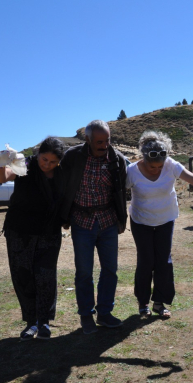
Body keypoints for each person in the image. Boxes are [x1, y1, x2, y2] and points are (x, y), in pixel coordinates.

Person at [127, 131, 193, 319]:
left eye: (160, 166)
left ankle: (159, 303)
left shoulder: (171, 165)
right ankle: (143, 303)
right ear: (144, 159)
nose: (157, 170)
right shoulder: (132, 171)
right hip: (141, 221)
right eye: (152, 167)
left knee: (163, 261)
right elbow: (118, 192)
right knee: (146, 261)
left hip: (165, 219)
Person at [59, 120, 128, 334]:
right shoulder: (72, 157)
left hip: (108, 221)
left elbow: (122, 188)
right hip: (82, 222)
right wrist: (64, 215)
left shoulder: (117, 159)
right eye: (99, 141)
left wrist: (121, 218)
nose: (104, 145)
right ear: (87, 139)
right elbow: (60, 183)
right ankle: (86, 315)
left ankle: (105, 313)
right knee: (84, 272)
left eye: (107, 140)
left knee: (110, 271)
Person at [0, 137, 66, 341]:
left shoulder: (62, 172)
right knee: (23, 276)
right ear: (38, 155)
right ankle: (31, 322)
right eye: (44, 159)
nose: (47, 165)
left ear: (59, 161)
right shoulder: (25, 165)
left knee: (45, 276)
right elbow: (2, 177)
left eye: (52, 162)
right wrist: (1, 162)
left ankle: (44, 321)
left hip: (49, 231)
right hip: (20, 231)